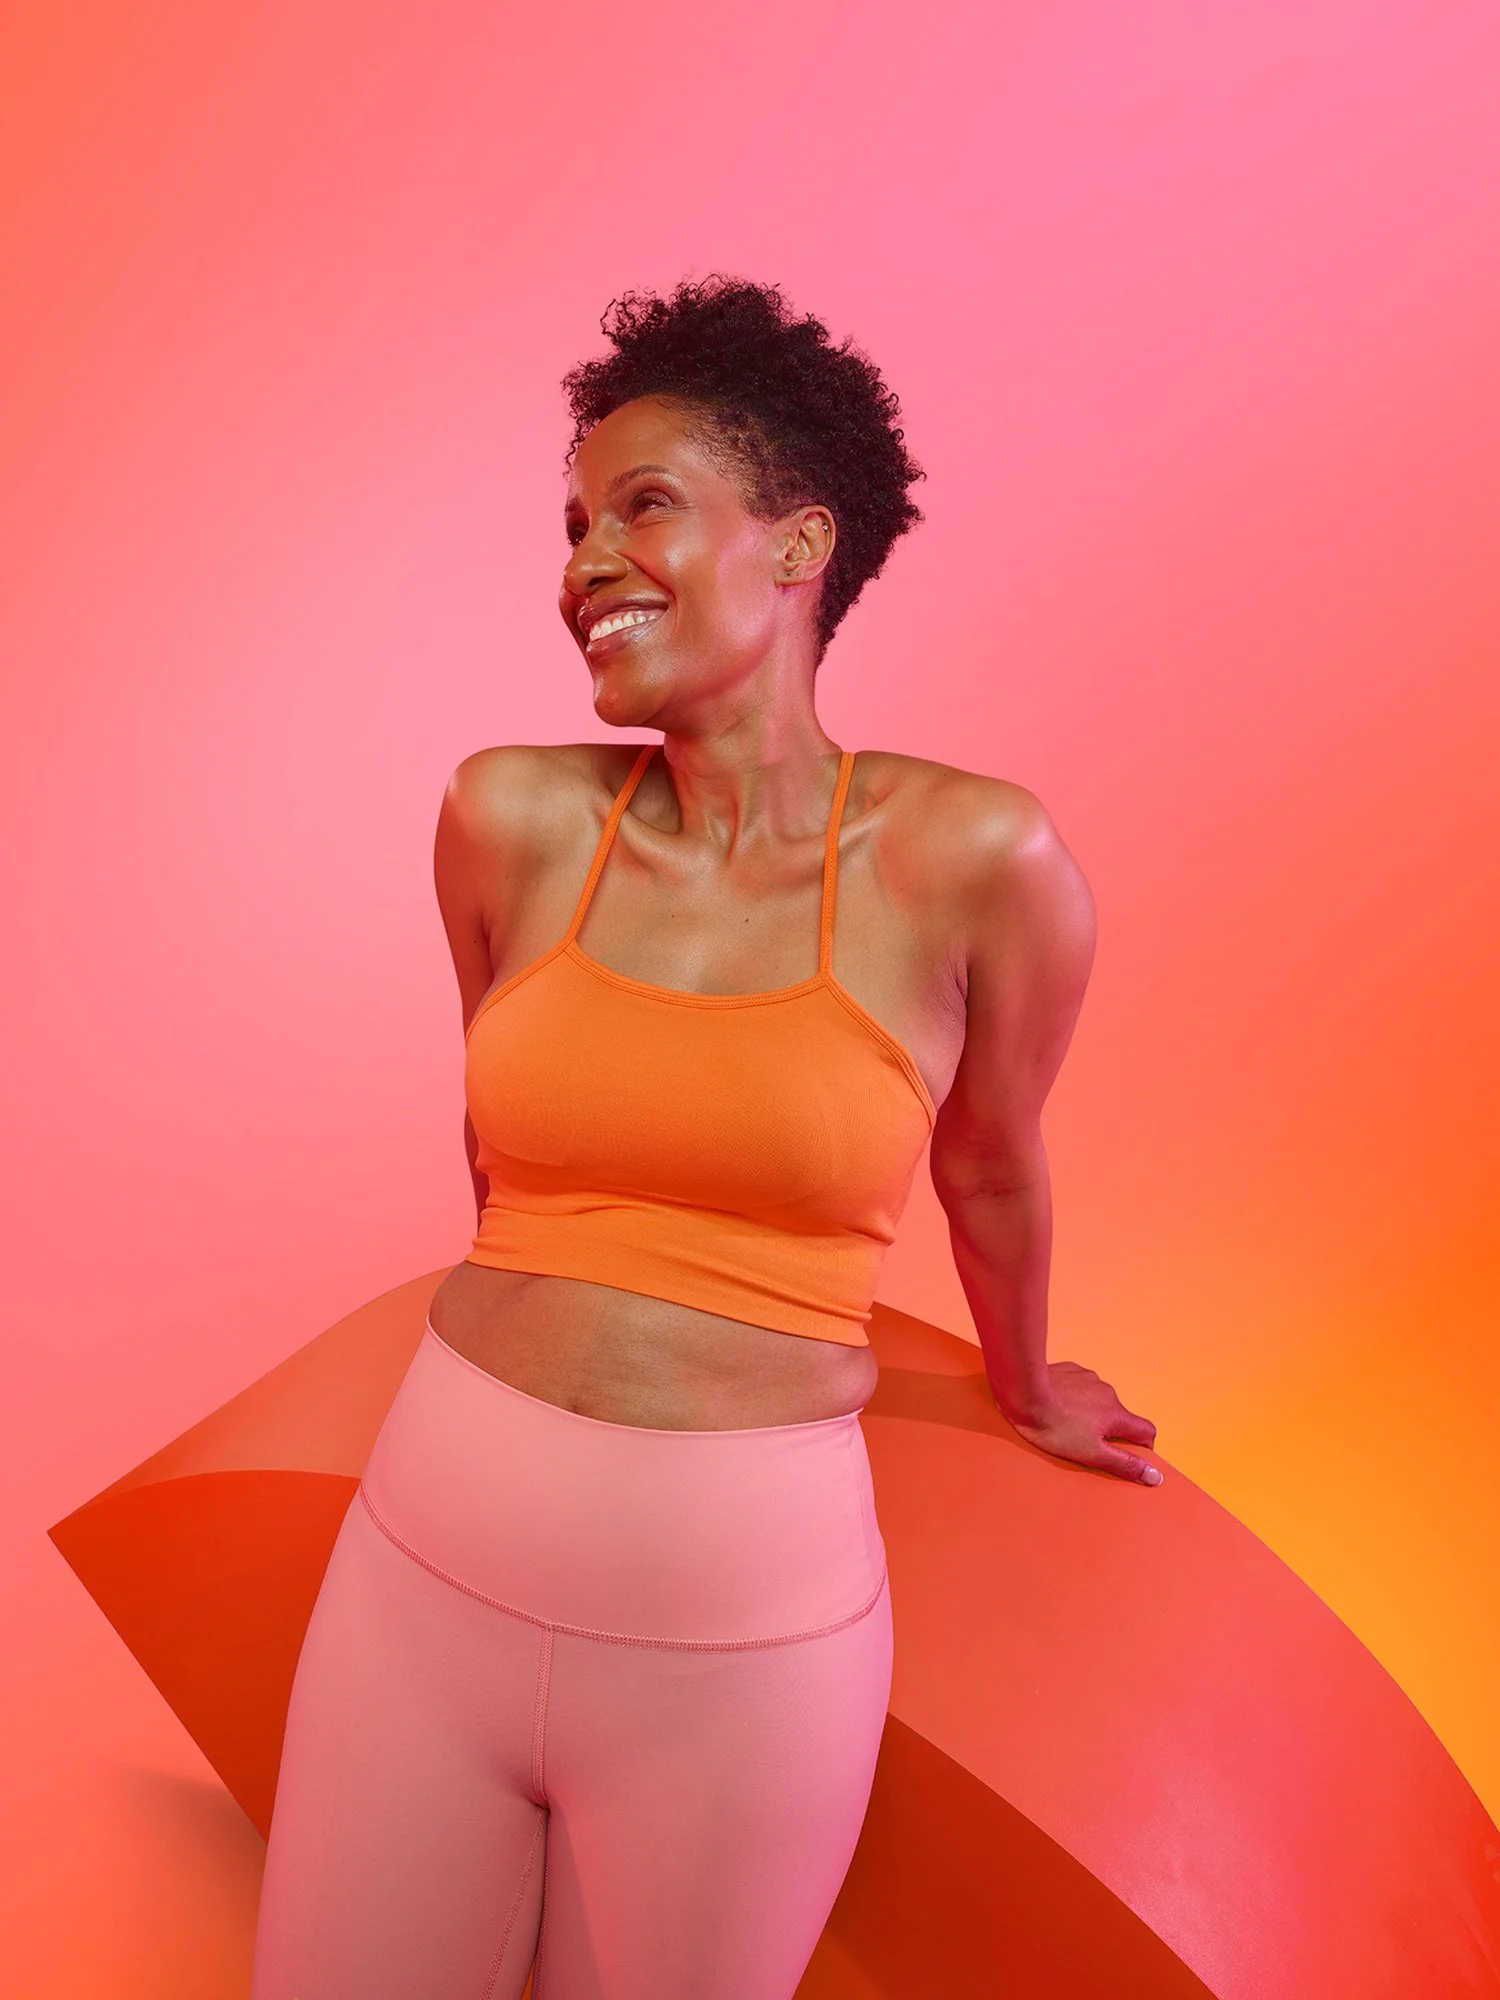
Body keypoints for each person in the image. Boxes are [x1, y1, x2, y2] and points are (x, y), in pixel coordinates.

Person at [249, 275, 1160, 2000]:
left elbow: (989, 1162)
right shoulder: (507, 817)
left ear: (801, 540)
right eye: (575, 524)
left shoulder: (980, 858)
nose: (586, 559)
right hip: (422, 1570)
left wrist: (1031, 1383)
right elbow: (501, 1145)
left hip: (735, 1652)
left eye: (643, 506)